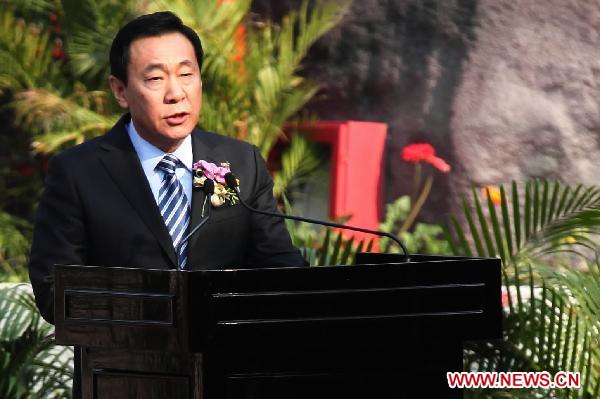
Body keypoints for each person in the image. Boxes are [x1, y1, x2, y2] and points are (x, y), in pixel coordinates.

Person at [28, 11, 306, 397]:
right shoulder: (78, 173)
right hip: (121, 382)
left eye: (186, 73)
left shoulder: (241, 162)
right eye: (156, 78)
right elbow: (51, 291)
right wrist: (156, 312)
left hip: (228, 378)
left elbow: (279, 267)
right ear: (121, 91)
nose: (176, 93)